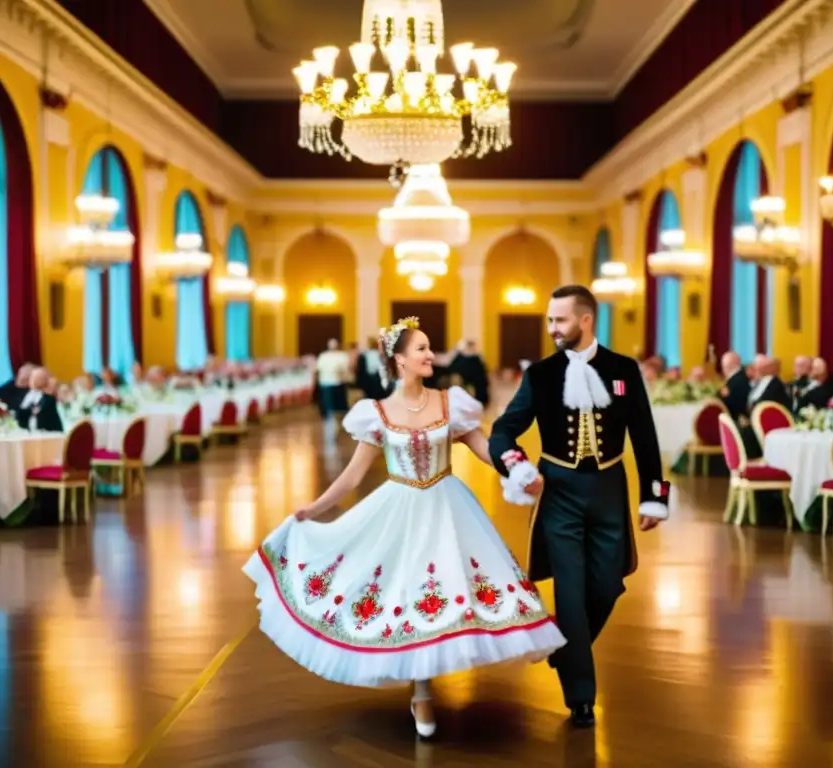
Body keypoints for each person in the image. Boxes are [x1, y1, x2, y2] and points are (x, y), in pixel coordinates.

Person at [243, 317, 566, 739]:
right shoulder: (375, 413)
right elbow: (353, 475)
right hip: (398, 508)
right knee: (406, 591)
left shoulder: (451, 402)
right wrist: (315, 508)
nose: (431, 355)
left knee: (442, 590)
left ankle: (426, 686)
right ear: (399, 359)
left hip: (448, 507)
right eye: (422, 349)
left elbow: (484, 447)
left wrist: (517, 470)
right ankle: (422, 692)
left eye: (429, 348)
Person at [488, 285, 669, 729]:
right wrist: (516, 466)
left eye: (560, 320)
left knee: (607, 586)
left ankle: (566, 650)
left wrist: (654, 496)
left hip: (609, 489)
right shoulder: (541, 374)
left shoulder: (623, 369)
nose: (552, 328)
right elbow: (503, 430)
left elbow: (644, 435)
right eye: (550, 320)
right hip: (559, 493)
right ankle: (581, 698)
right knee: (569, 592)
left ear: (586, 320)